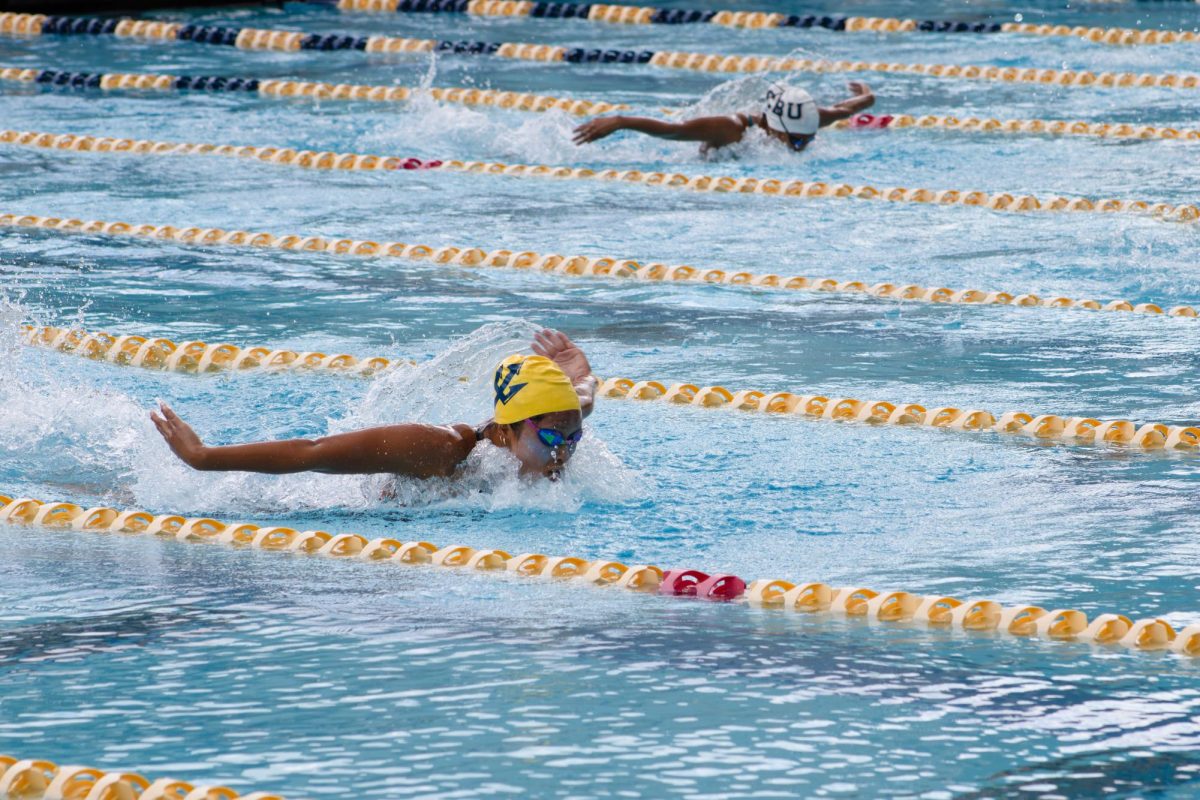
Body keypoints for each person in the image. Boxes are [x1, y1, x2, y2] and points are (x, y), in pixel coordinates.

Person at [151, 329, 597, 482]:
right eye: (554, 438)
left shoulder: (553, 423)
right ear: (504, 432)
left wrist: (582, 373)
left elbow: (580, 400)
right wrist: (202, 457)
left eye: (574, 436)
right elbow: (312, 453)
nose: (565, 451)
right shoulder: (439, 450)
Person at [572, 81, 875, 155]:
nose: (804, 145)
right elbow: (673, 131)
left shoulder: (808, 119)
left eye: (809, 138)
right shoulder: (730, 130)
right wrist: (622, 121)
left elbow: (848, 108)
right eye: (797, 140)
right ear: (773, 126)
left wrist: (866, 94)